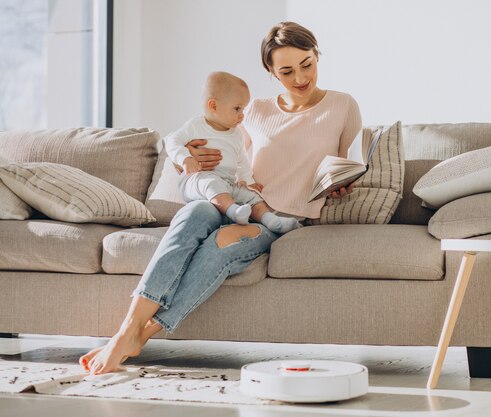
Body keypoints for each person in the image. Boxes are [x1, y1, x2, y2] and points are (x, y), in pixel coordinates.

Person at [79, 21, 362, 375]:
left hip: (274, 218)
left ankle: (144, 332)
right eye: (287, 71)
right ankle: (126, 329)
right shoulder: (253, 110)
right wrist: (196, 155)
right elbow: (230, 159)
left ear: (316, 55)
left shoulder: (342, 105)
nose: (301, 78)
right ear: (271, 72)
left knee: (219, 245)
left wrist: (342, 184)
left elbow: (349, 162)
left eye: (307, 64)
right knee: (193, 214)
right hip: (230, 199)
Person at [165, 71, 301, 233]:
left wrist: (248, 181)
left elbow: (241, 159)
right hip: (196, 181)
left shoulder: (235, 134)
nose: (242, 115)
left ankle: (270, 220)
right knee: (211, 182)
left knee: (251, 197)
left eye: (243, 109)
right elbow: (172, 141)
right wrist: (185, 159)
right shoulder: (195, 125)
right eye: (237, 109)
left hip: (227, 183)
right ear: (213, 106)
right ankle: (234, 212)